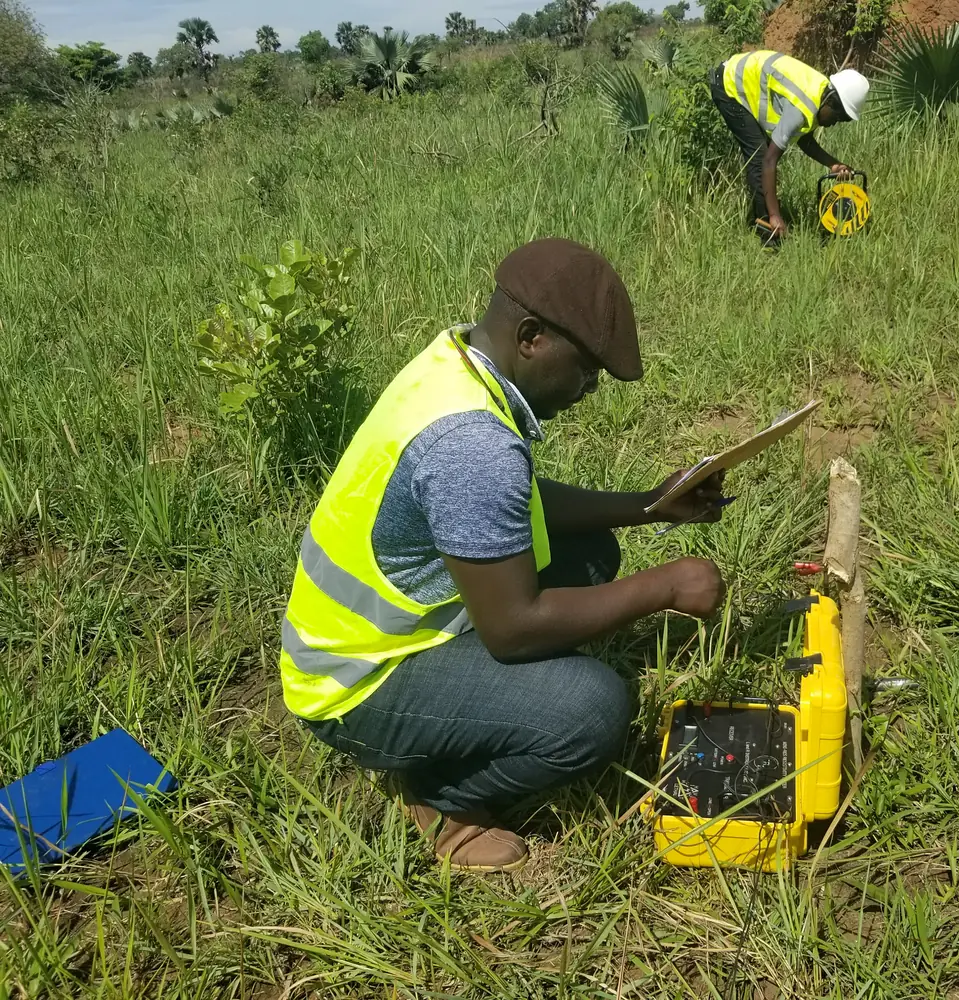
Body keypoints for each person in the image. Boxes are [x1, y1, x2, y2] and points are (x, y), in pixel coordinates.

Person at [280, 238, 727, 872]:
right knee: (591, 710)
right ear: (532, 337)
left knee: (589, 553)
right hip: (353, 683)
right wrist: (667, 587)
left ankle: (480, 720)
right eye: (587, 367)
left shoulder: (454, 364)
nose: (591, 387)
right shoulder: (471, 444)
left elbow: (511, 507)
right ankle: (444, 799)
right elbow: (514, 631)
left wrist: (650, 504)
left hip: (384, 634)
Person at [709, 50, 869, 241]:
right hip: (729, 84)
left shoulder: (819, 94)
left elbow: (804, 139)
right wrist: (775, 215)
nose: (837, 122)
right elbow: (769, 161)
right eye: (839, 117)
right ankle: (768, 232)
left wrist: (833, 164)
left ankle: (768, 217)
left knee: (763, 154)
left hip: (746, 76)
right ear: (831, 101)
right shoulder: (801, 107)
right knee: (759, 157)